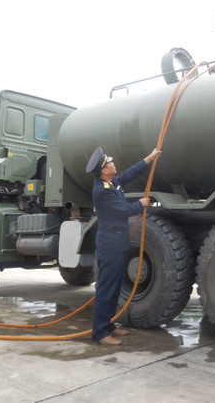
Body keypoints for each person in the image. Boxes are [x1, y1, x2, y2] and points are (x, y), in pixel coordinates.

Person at [85, 146, 161, 345]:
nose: (113, 163)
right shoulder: (103, 191)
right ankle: (100, 333)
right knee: (106, 290)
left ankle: (109, 325)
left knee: (114, 288)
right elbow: (123, 210)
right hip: (110, 246)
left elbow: (130, 173)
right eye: (110, 162)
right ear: (104, 170)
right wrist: (141, 204)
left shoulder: (112, 182)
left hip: (117, 244)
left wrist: (149, 158)